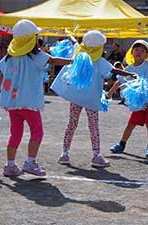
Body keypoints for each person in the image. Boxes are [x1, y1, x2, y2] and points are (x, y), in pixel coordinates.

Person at [0, 19, 73, 177]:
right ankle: (30, 163)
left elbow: (1, 75)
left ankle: (10, 165)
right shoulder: (36, 55)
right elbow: (52, 60)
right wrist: (72, 61)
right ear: (31, 38)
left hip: (12, 103)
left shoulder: (9, 57)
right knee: (37, 132)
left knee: (15, 134)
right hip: (29, 102)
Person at [52, 30, 135, 167]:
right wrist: (129, 73)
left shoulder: (79, 53)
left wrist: (69, 35)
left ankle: (64, 153)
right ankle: (96, 155)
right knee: (93, 126)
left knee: (71, 124)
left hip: (76, 97)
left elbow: (74, 42)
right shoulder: (99, 61)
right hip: (91, 98)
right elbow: (114, 71)